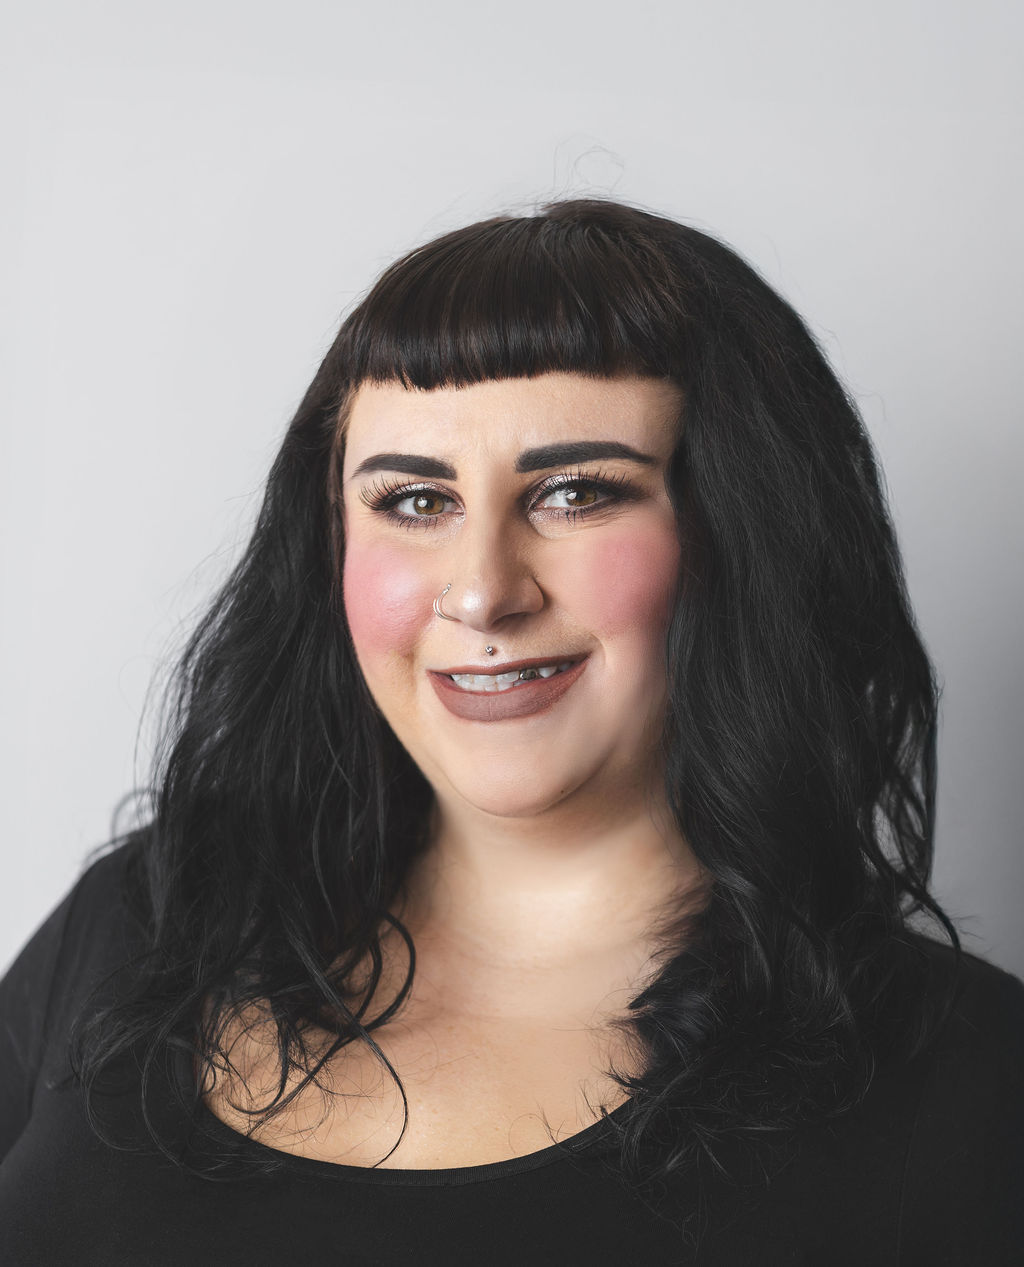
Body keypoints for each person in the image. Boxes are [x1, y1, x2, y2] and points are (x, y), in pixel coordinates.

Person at [1, 197, 1021, 1265]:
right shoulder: (141, 922)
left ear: (740, 534)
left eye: (576, 493)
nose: (482, 592)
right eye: (413, 501)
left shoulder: (966, 1078)